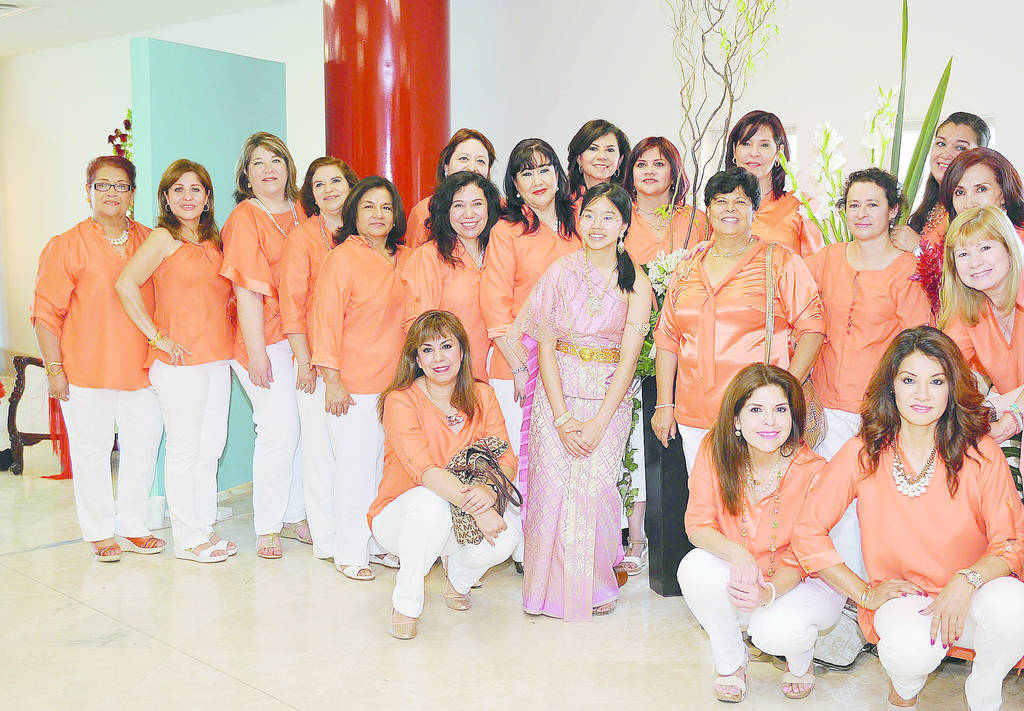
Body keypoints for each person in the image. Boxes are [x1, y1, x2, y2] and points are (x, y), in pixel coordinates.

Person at [793, 327, 1024, 711]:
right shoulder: (862, 452)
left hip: (973, 594)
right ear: (891, 387)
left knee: (1015, 607)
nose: (922, 394)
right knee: (908, 652)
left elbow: (1011, 542)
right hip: (905, 599)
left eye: (936, 381)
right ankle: (903, 693)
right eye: (909, 380)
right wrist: (863, 593)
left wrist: (966, 581)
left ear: (952, 388)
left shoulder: (980, 452)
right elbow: (807, 532)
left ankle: (984, 690)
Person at [512, 183, 653, 619]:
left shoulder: (637, 282)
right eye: (589, 214)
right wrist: (560, 416)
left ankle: (594, 587)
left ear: (624, 225)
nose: (596, 225)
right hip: (556, 397)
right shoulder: (559, 272)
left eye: (608, 217)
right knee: (551, 489)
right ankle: (543, 592)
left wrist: (598, 423)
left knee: (597, 492)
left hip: (608, 402)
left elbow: (629, 361)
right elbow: (546, 346)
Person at [677, 364, 844, 702]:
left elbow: (805, 556)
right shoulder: (714, 451)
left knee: (774, 634)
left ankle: (801, 659)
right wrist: (736, 554)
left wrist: (768, 593)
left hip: (805, 580)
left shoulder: (814, 471)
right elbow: (697, 523)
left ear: (793, 417)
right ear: (736, 420)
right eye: (756, 410)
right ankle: (730, 662)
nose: (770, 422)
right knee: (693, 567)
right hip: (747, 572)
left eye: (780, 410)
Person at [31, 155, 164, 561]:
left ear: (133, 194)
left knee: (142, 450)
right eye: (102, 185)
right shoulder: (66, 245)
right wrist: (55, 369)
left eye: (120, 185)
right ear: (88, 191)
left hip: (144, 370)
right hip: (86, 370)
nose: (111, 192)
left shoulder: (151, 241)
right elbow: (45, 313)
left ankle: (134, 525)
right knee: (92, 453)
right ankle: (100, 530)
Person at [651, 167, 825, 469]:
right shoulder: (686, 269)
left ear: (754, 211)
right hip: (695, 414)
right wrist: (664, 403)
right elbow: (667, 339)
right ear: (708, 210)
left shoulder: (779, 261)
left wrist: (786, 391)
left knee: (759, 494)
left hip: (759, 412)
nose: (730, 209)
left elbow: (813, 328)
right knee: (703, 494)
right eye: (720, 201)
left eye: (740, 202)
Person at [370, 311, 520, 640]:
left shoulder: (482, 395)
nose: (438, 358)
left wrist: (490, 493)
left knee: (507, 537)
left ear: (462, 351)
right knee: (430, 501)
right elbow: (425, 471)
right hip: (401, 518)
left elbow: (506, 457)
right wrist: (480, 509)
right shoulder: (400, 401)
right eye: (427, 350)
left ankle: (459, 580)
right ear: (416, 359)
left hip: (460, 514)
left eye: (447, 346)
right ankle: (406, 603)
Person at [115, 159, 235, 563]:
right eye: (178, 189)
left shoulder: (213, 241)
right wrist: (157, 337)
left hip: (218, 358)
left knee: (211, 447)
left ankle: (203, 527)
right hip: (180, 362)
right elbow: (126, 284)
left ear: (207, 198)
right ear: (166, 198)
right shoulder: (163, 238)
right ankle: (188, 538)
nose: (187, 196)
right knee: (185, 449)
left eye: (195, 189)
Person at [311, 175, 411, 581]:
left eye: (386, 207)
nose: (378, 214)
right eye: (368, 206)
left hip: (400, 388)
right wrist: (332, 380)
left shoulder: (406, 258)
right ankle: (350, 551)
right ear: (353, 212)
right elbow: (325, 322)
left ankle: (378, 542)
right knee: (354, 472)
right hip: (354, 387)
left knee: (386, 473)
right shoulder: (342, 259)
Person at [220, 131, 310, 559]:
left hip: (301, 338)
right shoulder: (245, 217)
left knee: (302, 430)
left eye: (276, 160)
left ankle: (295, 514)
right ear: (247, 175)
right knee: (278, 429)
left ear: (289, 168)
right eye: (258, 162)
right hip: (262, 339)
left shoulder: (303, 209)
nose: (268, 169)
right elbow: (246, 291)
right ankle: (268, 525)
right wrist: (256, 353)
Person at [805, 169, 933, 459]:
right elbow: (784, 283)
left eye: (872, 204)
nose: (861, 213)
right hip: (822, 409)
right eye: (854, 205)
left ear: (893, 210)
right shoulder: (829, 257)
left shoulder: (908, 270)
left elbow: (918, 346)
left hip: (879, 411)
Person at [279, 156, 358, 561]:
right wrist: (305, 361)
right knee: (318, 450)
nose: (329, 190)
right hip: (315, 360)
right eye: (319, 184)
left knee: (356, 453)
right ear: (310, 194)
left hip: (361, 361)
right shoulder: (302, 237)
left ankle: (359, 534)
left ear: (351, 185)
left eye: (336, 181)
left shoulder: (363, 231)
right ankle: (326, 539)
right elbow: (291, 305)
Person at [480, 138, 581, 454]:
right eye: (527, 173)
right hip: (518, 359)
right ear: (514, 184)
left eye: (544, 170)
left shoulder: (579, 221)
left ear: (558, 174)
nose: (538, 181)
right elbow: (495, 305)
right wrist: (518, 367)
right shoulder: (506, 231)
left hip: (572, 358)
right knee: (520, 454)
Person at [401, 171, 502, 379]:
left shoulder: (501, 251)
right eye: (458, 206)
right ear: (445, 211)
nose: (469, 214)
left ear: (489, 207)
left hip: (501, 376)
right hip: (451, 379)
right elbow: (422, 328)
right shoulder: (429, 256)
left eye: (477, 204)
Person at [940, 206, 1024, 444]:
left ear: (1009, 249)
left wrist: (1004, 414)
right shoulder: (967, 312)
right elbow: (944, 367)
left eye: (985, 248)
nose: (974, 263)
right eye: (963, 254)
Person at [724, 110, 822, 255]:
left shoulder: (802, 206)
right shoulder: (719, 205)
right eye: (746, 143)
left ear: (778, 153)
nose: (754, 153)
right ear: (734, 150)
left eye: (764, 145)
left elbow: (815, 265)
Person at [890, 112, 990, 250]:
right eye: (941, 144)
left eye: (960, 148)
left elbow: (972, 260)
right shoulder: (932, 205)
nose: (946, 154)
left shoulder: (975, 209)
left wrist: (918, 248)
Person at [404, 128, 497, 249]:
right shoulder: (423, 212)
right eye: (464, 158)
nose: (472, 168)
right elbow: (415, 259)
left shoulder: (501, 208)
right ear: (446, 166)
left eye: (481, 161)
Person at [622, 136, 709, 263]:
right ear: (631, 176)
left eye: (659, 164)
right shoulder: (619, 217)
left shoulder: (696, 219)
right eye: (641, 165)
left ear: (674, 174)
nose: (649, 171)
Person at [940, 147, 1024, 242]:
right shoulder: (953, 240)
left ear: (1004, 194)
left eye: (981, 190)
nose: (968, 204)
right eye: (960, 193)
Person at [566, 119, 631, 199]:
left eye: (610, 150)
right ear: (579, 158)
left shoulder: (632, 201)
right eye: (593, 149)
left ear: (620, 160)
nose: (602, 157)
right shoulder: (563, 201)